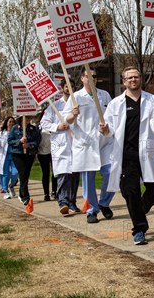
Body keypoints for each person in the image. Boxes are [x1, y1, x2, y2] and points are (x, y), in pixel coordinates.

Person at [100, 66, 154, 245]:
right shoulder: (115, 103)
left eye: (136, 77)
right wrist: (105, 129)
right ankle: (139, 229)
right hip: (126, 153)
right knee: (130, 191)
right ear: (124, 82)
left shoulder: (153, 101)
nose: (133, 80)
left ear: (141, 79)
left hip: (148, 152)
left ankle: (138, 213)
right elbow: (109, 128)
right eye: (129, 78)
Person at [64, 67, 114, 223]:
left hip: (104, 141)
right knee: (88, 179)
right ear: (82, 79)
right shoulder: (76, 97)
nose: (92, 79)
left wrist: (108, 127)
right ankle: (91, 210)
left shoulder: (104, 95)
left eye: (95, 76)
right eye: (88, 76)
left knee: (112, 173)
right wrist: (73, 115)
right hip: (85, 144)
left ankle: (104, 203)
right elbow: (66, 121)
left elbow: (112, 116)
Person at [41, 79, 81, 215]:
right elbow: (44, 123)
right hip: (60, 144)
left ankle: (72, 202)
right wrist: (57, 127)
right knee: (63, 174)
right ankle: (63, 202)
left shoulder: (77, 105)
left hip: (75, 142)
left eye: (71, 86)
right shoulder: (54, 106)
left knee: (75, 175)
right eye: (66, 86)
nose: (69, 89)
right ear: (62, 88)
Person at [8, 116, 41, 207]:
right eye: (25, 118)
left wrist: (29, 145)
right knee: (22, 173)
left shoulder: (33, 129)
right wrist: (19, 141)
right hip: (17, 154)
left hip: (29, 154)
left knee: (26, 174)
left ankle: (21, 193)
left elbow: (37, 140)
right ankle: (26, 196)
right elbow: (10, 141)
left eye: (28, 118)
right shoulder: (15, 128)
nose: (26, 120)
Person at [0, 117, 19, 199]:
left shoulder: (16, 132)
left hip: (14, 154)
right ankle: (5, 190)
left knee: (15, 172)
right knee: (5, 174)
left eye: (13, 122)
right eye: (10, 122)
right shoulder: (1, 134)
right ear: (6, 123)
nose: (11, 123)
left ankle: (11, 185)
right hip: (4, 155)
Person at [36, 111, 53, 201]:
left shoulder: (54, 123)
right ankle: (46, 193)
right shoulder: (38, 126)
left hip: (54, 151)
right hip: (43, 152)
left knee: (56, 173)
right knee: (46, 173)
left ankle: (54, 191)